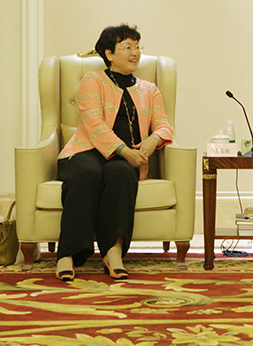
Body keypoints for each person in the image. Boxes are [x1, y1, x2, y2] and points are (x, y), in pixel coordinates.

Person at [54, 24, 173, 281]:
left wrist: (153, 140)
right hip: (85, 151)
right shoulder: (92, 80)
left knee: (121, 175)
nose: (135, 53)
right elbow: (93, 123)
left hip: (123, 159)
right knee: (87, 173)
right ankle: (68, 254)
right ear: (109, 53)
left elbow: (164, 125)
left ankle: (114, 251)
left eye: (137, 47)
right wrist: (125, 151)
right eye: (127, 47)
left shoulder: (149, 89)